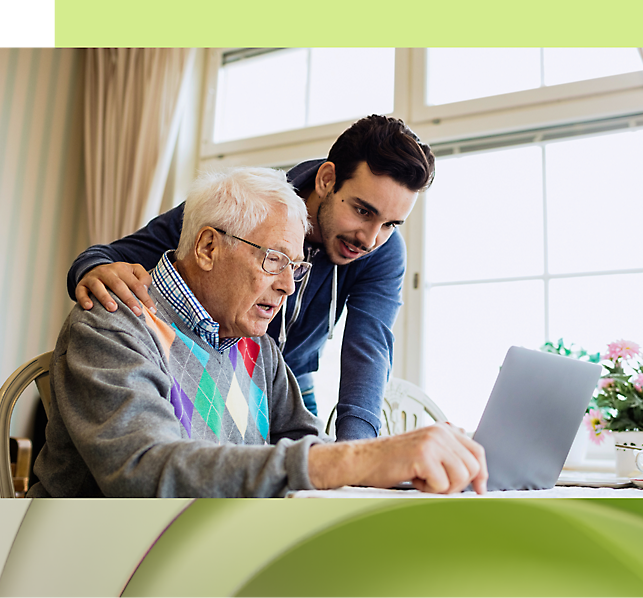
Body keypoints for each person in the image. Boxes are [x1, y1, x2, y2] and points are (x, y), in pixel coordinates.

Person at [29, 168, 486, 498]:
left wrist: (396, 464)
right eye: (274, 260)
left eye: (295, 266)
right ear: (208, 246)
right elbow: (146, 473)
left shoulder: (258, 348)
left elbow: (310, 445)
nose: (289, 285)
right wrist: (356, 460)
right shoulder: (114, 322)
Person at [67, 114, 434, 441]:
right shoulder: (250, 208)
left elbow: (369, 347)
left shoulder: (382, 251)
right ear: (327, 180)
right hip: (209, 364)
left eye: (390, 224)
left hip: (284, 380)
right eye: (362, 210)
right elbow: (116, 256)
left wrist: (357, 454)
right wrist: (93, 270)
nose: (370, 239)